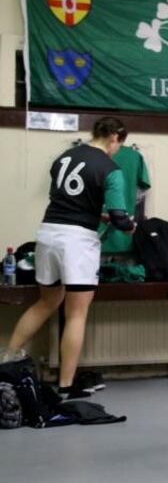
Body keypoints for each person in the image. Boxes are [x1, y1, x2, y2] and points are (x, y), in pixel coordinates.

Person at [7, 117, 135, 399]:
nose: (117, 151)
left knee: (47, 301)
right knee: (76, 313)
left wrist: (96, 214)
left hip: (49, 232)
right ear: (114, 137)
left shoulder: (64, 157)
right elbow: (119, 218)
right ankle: (66, 386)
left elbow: (70, 199)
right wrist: (130, 226)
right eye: (119, 145)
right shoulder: (111, 169)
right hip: (77, 242)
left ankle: (6, 361)